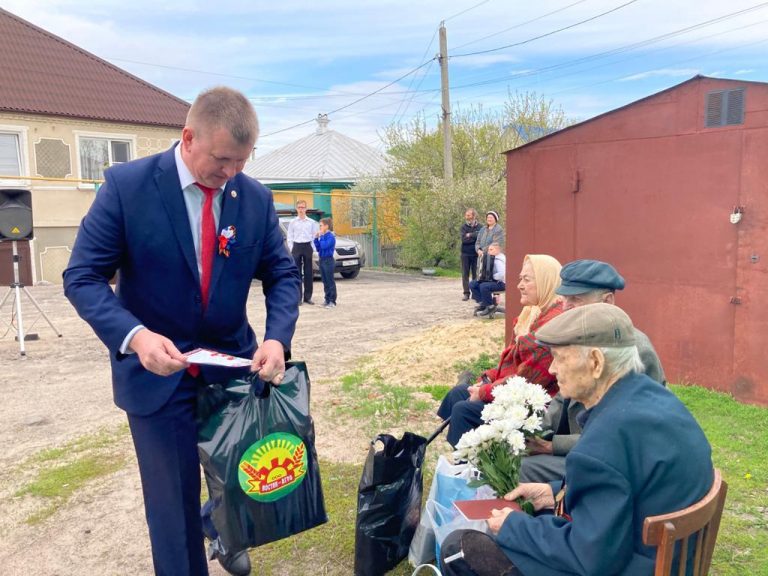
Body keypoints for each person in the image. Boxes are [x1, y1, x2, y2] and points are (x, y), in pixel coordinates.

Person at [63, 86, 301, 576]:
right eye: (222, 160)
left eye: (242, 161)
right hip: (157, 375)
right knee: (172, 514)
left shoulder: (253, 198)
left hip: (232, 371)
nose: (231, 173)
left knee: (241, 480)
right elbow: (82, 277)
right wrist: (135, 336)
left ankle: (222, 528)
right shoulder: (127, 187)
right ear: (188, 137)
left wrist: (277, 337)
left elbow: (282, 274)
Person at [439, 304, 714, 576]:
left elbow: (590, 557)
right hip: (666, 558)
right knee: (535, 522)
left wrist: (513, 526)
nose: (554, 369)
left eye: (560, 358)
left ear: (595, 362)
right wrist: (553, 492)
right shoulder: (656, 400)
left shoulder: (604, 440)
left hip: (628, 563)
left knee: (460, 548)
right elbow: (623, 484)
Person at [521, 259, 666, 483]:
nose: (566, 308)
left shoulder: (631, 350)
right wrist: (530, 432)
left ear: (608, 301)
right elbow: (563, 397)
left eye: (576, 301)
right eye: (564, 300)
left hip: (614, 460)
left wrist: (552, 446)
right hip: (589, 446)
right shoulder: (582, 338)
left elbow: (624, 434)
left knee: (523, 469)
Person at [438, 254, 563, 447]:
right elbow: (511, 365)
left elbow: (523, 381)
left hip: (534, 410)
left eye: (527, 280)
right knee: (458, 394)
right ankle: (465, 457)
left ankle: (469, 466)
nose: (519, 285)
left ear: (546, 282)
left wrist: (484, 391)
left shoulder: (551, 327)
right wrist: (486, 379)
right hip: (514, 395)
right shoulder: (533, 313)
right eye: (520, 278)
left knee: (463, 410)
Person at [287, 199, 319, 305]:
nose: (301, 209)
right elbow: (289, 236)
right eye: (299, 207)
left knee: (309, 272)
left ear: (306, 209)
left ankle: (307, 297)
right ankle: (298, 298)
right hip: (296, 246)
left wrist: (313, 249)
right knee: (297, 273)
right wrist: (292, 248)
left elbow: (314, 236)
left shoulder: (311, 222)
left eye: (303, 207)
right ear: (297, 209)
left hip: (307, 246)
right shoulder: (292, 222)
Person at [469, 242, 505, 316]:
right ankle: (483, 304)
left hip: (502, 283)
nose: (489, 252)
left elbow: (502, 274)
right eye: (488, 250)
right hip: (494, 281)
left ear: (497, 250)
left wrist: (492, 277)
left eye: (491, 250)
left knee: (484, 286)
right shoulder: (490, 258)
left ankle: (490, 306)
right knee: (473, 284)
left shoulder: (499, 260)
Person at [313, 217, 337, 308]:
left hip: (328, 260)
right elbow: (319, 248)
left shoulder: (330, 236)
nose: (320, 227)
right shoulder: (323, 236)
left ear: (326, 226)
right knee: (325, 281)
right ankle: (327, 300)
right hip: (322, 259)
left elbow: (324, 246)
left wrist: (321, 236)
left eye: (321, 226)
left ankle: (332, 301)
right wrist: (316, 239)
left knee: (330, 281)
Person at [460, 209, 481, 301]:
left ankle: (475, 294)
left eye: (469, 215)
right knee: (465, 274)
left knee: (475, 274)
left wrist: (470, 235)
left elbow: (480, 237)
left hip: (476, 254)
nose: (467, 217)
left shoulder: (480, 227)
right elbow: (464, 240)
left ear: (474, 216)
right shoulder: (463, 227)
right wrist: (474, 236)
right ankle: (466, 293)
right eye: (466, 215)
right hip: (465, 253)